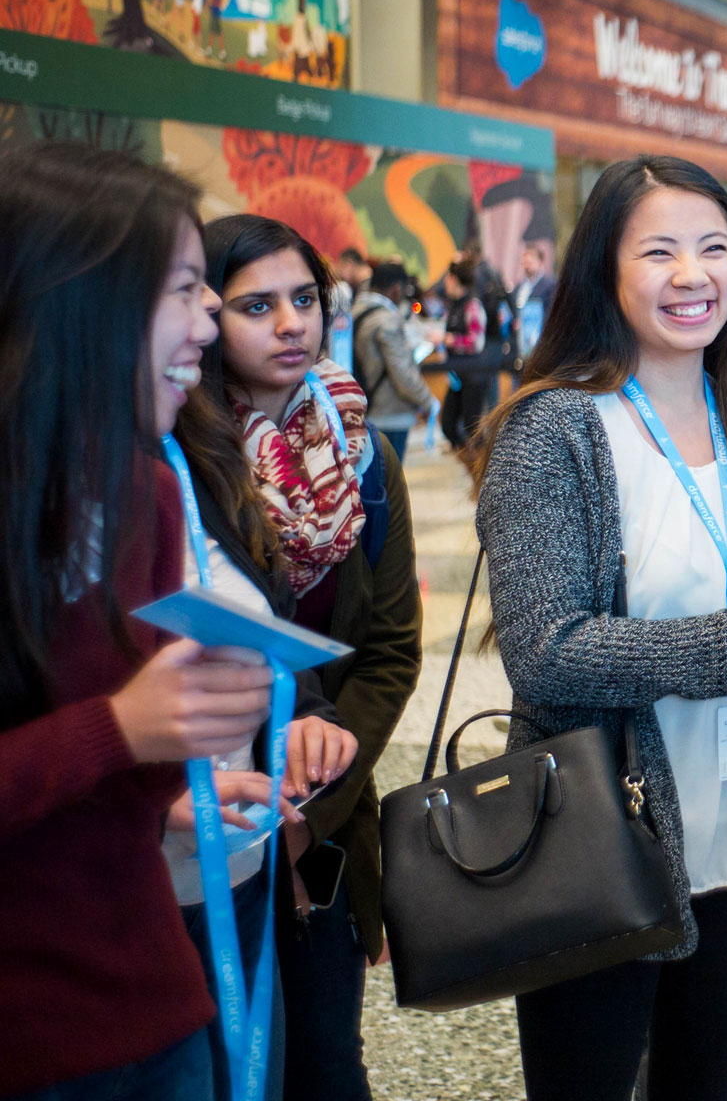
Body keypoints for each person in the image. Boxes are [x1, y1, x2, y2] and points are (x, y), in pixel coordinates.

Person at [473, 155, 727, 1101]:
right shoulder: (557, 429)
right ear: (604, 271)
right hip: (603, 838)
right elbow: (546, 653)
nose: (694, 276)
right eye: (659, 251)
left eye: (714, 249)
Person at [0, 141, 273, 1098]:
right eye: (183, 287)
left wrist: (170, 792)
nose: (210, 318)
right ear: (75, 299)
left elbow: (100, 773)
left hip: (154, 1010)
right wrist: (117, 730)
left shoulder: (146, 491)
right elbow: (93, 732)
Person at [200, 214, 424, 1101]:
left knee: (327, 1062)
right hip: (201, 815)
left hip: (326, 823)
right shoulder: (177, 459)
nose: (291, 323)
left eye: (305, 299)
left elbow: (392, 650)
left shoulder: (361, 457)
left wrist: (315, 793)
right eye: (257, 305)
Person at [166, 282, 359, 1100]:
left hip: (243, 859)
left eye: (305, 297)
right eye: (183, 287)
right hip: (123, 897)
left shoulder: (186, 452)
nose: (206, 310)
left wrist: (309, 721)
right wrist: (137, 785)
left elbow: (264, 629)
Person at [350, 262, 434, 462]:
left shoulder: (355, 311)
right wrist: (428, 401)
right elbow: (402, 370)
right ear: (397, 288)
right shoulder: (387, 320)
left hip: (362, 408)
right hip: (390, 412)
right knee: (389, 484)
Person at [437, 262, 504, 451]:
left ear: (453, 279)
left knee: (471, 427)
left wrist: (449, 340)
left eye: (447, 279)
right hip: (457, 376)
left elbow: (476, 343)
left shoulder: (472, 306)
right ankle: (470, 462)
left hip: (474, 375)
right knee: (448, 425)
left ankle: (480, 466)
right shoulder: (454, 306)